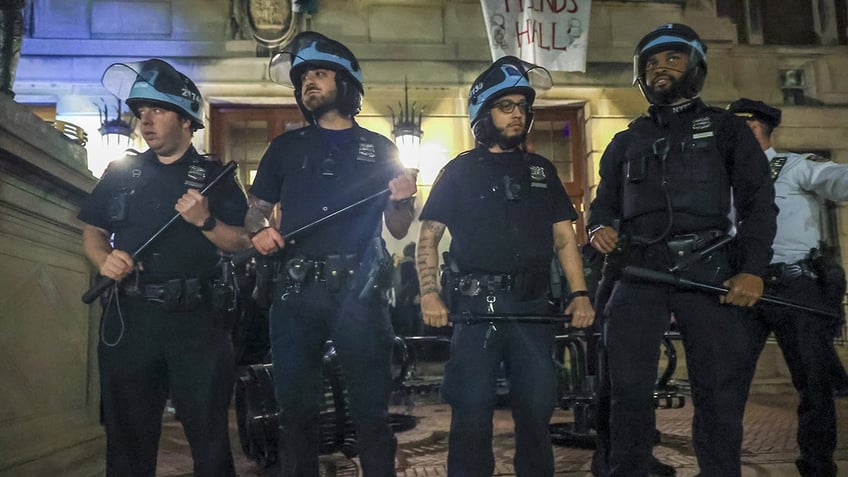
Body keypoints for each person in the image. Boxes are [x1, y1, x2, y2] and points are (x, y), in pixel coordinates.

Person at [586, 24, 777, 477]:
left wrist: (752, 270)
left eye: (671, 59)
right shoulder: (624, 140)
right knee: (626, 389)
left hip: (709, 272)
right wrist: (599, 227)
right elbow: (603, 204)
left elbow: (758, 204)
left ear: (694, 66)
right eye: (651, 63)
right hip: (637, 273)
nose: (660, 69)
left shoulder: (729, 129)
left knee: (718, 392)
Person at [245, 31, 417, 477]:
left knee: (371, 413)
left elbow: (397, 228)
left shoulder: (381, 148)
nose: (309, 84)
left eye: (319, 74)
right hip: (296, 292)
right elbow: (255, 211)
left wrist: (402, 199)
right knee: (297, 412)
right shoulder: (286, 146)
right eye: (303, 78)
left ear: (346, 84)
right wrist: (260, 231)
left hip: (360, 293)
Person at [416, 55, 595, 477]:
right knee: (472, 410)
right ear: (484, 113)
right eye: (506, 106)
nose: (518, 115)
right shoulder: (459, 170)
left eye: (522, 107)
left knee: (536, 408)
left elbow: (564, 237)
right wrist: (428, 291)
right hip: (476, 310)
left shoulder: (541, 170)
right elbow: (429, 235)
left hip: (533, 307)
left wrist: (580, 293)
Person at [79, 58, 250, 476]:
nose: (145, 121)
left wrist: (206, 221)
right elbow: (93, 231)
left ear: (186, 120)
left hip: (198, 322)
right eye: (141, 113)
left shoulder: (215, 176)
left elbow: (243, 243)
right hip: (132, 319)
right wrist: (105, 258)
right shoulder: (123, 172)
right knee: (127, 442)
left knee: (209, 440)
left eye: (157, 110)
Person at [728, 97, 848, 477]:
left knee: (814, 383)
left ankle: (816, 465)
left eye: (741, 129)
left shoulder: (794, 166)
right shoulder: (723, 179)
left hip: (795, 286)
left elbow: (837, 179)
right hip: (742, 286)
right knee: (723, 381)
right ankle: (720, 465)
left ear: (758, 129)